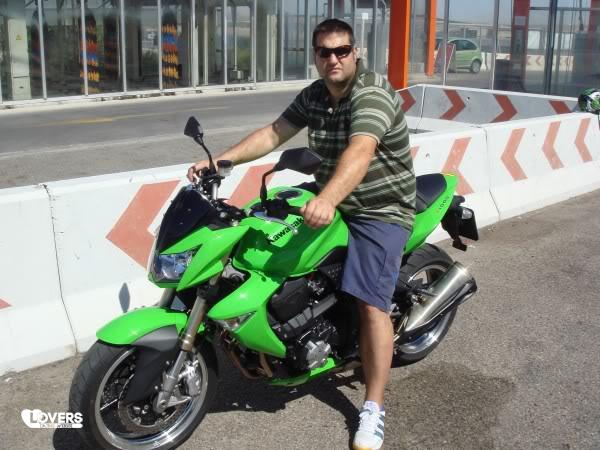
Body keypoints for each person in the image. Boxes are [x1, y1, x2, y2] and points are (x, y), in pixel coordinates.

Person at [187, 18, 415, 450]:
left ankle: (373, 407)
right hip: (329, 193)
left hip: (378, 207)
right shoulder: (315, 95)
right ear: (315, 56)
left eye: (342, 50)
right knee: (262, 237)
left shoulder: (371, 93)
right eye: (325, 52)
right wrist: (221, 162)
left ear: (355, 52)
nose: (334, 59)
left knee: (371, 305)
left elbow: (361, 150)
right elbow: (275, 132)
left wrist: (327, 199)